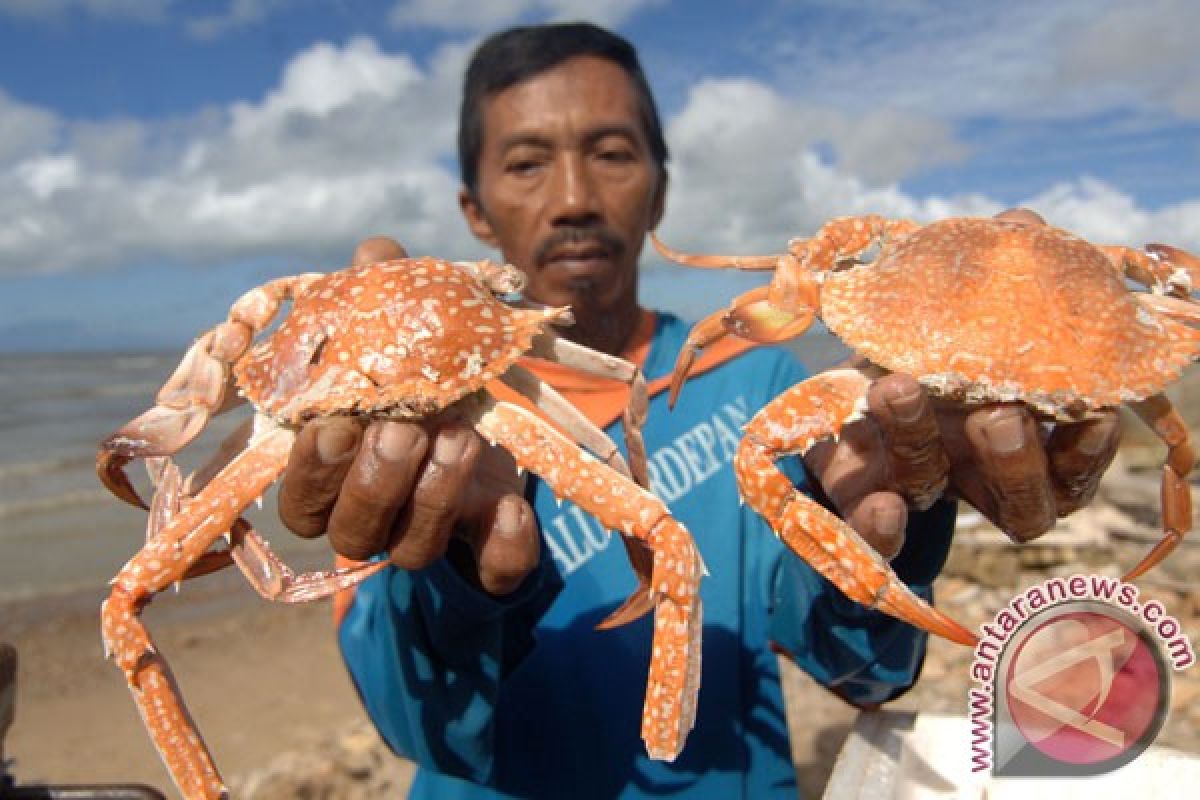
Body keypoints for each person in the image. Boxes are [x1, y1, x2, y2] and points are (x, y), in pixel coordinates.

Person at [276, 22, 1120, 799]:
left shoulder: (760, 387)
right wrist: (452, 572)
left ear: (660, 191)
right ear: (475, 211)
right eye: (527, 162)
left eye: (610, 153)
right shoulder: (412, 417)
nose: (573, 197)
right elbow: (417, 728)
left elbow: (865, 674)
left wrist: (900, 525)